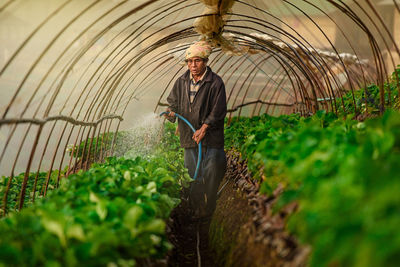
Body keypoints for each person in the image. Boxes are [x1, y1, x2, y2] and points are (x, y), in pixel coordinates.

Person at [165, 41, 227, 219]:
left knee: (211, 172)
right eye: (190, 61)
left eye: (197, 61)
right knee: (192, 175)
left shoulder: (215, 83)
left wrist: (205, 127)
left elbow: (219, 109)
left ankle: (210, 209)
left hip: (211, 138)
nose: (193, 65)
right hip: (189, 137)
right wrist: (171, 114)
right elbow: (173, 104)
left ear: (206, 61)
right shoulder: (181, 82)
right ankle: (196, 210)